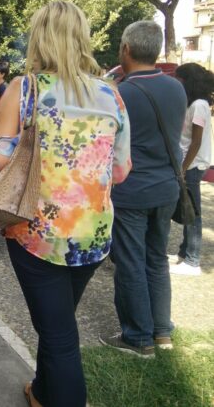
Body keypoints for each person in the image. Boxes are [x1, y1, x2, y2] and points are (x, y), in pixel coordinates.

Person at [0, 1, 131, 407]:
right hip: (94, 234)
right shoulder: (111, 95)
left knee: (59, 334)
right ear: (81, 37)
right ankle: (42, 391)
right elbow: (121, 171)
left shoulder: (25, 89)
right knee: (56, 322)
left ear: (39, 37)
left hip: (37, 233)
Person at [100, 20, 186, 357]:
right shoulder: (177, 88)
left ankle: (137, 337)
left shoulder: (119, 92)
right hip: (167, 188)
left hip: (131, 190)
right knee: (157, 259)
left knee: (130, 261)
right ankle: (162, 332)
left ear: (126, 50)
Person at [169, 63, 214, 276]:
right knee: (187, 209)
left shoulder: (199, 105)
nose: (176, 82)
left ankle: (193, 260)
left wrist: (183, 168)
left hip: (193, 166)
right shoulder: (193, 104)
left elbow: (195, 141)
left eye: (179, 78)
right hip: (188, 164)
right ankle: (184, 253)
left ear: (188, 81)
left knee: (193, 213)